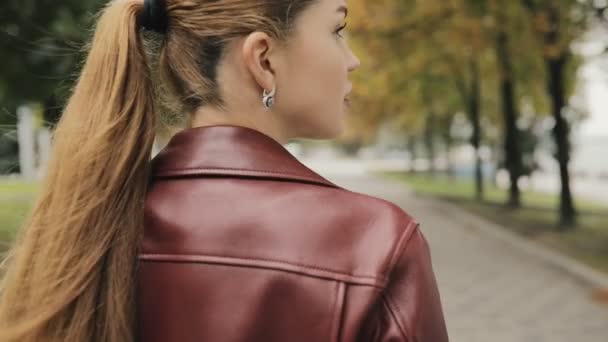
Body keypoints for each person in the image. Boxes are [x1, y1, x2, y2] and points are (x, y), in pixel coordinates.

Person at [0, 0, 449, 341]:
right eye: (338, 29)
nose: (353, 60)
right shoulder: (375, 242)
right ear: (264, 60)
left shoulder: (84, 223)